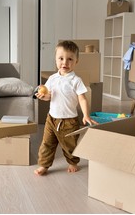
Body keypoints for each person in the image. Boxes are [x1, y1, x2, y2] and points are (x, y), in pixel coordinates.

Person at [34, 40, 97, 175]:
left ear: (76, 61)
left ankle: (73, 162)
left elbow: (82, 98)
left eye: (70, 59)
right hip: (51, 119)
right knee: (47, 144)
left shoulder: (76, 80)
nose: (65, 63)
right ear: (56, 60)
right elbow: (49, 96)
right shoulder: (52, 78)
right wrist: (43, 97)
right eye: (61, 58)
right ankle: (44, 165)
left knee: (70, 145)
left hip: (69, 121)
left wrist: (86, 115)